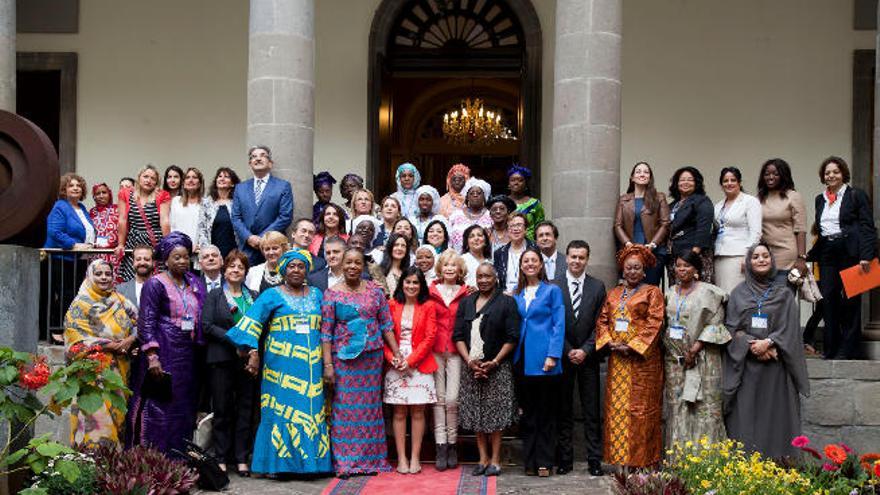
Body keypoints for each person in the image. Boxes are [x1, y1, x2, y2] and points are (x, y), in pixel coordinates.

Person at [225, 249, 333, 475]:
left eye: (301, 266)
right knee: (279, 412)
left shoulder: (317, 294)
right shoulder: (271, 295)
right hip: (279, 366)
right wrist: (253, 352)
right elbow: (250, 324)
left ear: (307, 270)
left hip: (311, 366)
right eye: (291, 266)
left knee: (310, 410)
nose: (296, 270)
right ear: (284, 269)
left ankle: (310, 465)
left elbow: (328, 327)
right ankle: (276, 465)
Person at [723, 243, 809, 459]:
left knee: (775, 420)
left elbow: (790, 328)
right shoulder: (738, 293)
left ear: (772, 261)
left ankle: (779, 467)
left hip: (776, 370)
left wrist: (770, 342)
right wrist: (754, 345)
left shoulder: (784, 294)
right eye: (755, 257)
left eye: (765, 256)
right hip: (747, 369)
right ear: (749, 263)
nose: (761, 260)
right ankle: (746, 471)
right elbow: (731, 329)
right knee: (747, 420)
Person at [321, 248, 400, 477]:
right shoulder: (331, 294)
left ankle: (371, 461)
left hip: (371, 359)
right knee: (345, 409)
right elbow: (326, 333)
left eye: (357, 263)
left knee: (370, 409)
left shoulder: (375, 292)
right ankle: (346, 463)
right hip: (344, 360)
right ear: (341, 265)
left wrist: (396, 353)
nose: (353, 267)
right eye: (348, 263)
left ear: (363, 266)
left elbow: (386, 325)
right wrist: (328, 366)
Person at [126, 231, 206, 455]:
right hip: (163, 350)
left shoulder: (195, 283)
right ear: (166, 260)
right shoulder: (155, 283)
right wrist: (152, 356)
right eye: (177, 257)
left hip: (188, 354)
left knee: (183, 405)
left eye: (186, 257)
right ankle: (153, 458)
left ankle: (178, 459)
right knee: (158, 406)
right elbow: (147, 320)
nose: (183, 261)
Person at [595, 245, 664, 468]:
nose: (632, 272)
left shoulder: (652, 292)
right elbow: (602, 321)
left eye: (637, 268)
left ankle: (642, 461)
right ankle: (620, 460)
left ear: (644, 271)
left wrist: (633, 346)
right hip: (618, 362)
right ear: (622, 271)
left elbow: (655, 322)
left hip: (641, 363)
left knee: (641, 412)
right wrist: (609, 342)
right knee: (617, 410)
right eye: (628, 268)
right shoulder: (613, 293)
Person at [807, 156, 878, 359]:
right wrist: (809, 255)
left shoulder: (856, 195)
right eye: (827, 172)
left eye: (835, 172)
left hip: (850, 252)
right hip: (828, 252)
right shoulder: (820, 199)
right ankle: (831, 349)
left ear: (843, 174)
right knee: (828, 299)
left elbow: (867, 227)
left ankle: (848, 350)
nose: (831, 175)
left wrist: (866, 255)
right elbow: (821, 231)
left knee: (850, 301)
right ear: (823, 176)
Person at [453, 262, 519, 477]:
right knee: (477, 415)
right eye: (480, 276)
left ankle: (496, 460)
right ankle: (482, 458)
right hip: (472, 367)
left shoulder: (506, 302)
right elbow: (458, 336)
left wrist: (495, 362)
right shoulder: (467, 303)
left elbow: (512, 337)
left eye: (487, 276)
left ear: (495, 278)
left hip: (497, 367)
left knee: (496, 415)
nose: (483, 280)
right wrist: (470, 361)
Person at [64, 259, 137, 447]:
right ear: (89, 276)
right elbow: (75, 340)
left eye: (107, 273)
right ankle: (90, 466)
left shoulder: (120, 300)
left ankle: (111, 471)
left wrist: (130, 341)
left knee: (117, 417)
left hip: (120, 372)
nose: (104, 277)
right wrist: (109, 345)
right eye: (98, 274)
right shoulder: (80, 304)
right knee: (95, 419)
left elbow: (141, 323)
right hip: (92, 374)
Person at [663, 251, 730, 447]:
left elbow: (716, 324)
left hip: (704, 359)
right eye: (678, 265)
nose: (681, 270)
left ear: (696, 270)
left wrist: (694, 349)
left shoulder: (710, 292)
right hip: (675, 361)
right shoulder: (668, 293)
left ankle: (705, 460)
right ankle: (677, 460)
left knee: (704, 407)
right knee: (678, 407)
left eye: (686, 266)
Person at [201, 250, 259, 475]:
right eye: (232, 266)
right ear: (225, 270)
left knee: (245, 408)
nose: (236, 270)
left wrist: (251, 350)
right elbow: (207, 326)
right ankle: (221, 456)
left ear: (246, 272)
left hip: (247, 361)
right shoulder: (215, 295)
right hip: (222, 359)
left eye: (240, 267)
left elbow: (259, 326)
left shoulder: (253, 296)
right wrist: (235, 340)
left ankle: (241, 457)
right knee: (223, 409)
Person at [553, 240, 605, 477]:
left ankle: (595, 459)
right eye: (573, 257)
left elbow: (601, 324)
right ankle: (565, 459)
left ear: (587, 259)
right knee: (563, 410)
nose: (576, 261)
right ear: (566, 258)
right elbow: (552, 324)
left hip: (588, 358)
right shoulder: (554, 286)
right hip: (562, 358)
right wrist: (567, 350)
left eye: (581, 257)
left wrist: (585, 349)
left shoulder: (597, 286)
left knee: (592, 411)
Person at [512, 248, 565, 477]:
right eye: (526, 261)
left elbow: (558, 324)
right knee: (528, 413)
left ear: (541, 265)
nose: (530, 264)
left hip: (544, 360)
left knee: (545, 413)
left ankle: (544, 461)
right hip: (521, 360)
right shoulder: (517, 294)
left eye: (534, 260)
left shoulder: (552, 291)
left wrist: (553, 355)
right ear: (521, 266)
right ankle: (530, 460)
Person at [384, 266, 438, 475]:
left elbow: (430, 337)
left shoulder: (429, 306)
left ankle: (415, 457)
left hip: (419, 362)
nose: (411, 286)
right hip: (395, 363)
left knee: (418, 411)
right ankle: (402, 458)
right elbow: (384, 334)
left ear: (421, 285)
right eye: (408, 282)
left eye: (416, 282)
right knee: (398, 412)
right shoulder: (391, 304)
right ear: (401, 284)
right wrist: (393, 358)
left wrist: (411, 361)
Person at [427, 249, 471, 470]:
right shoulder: (430, 291)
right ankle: (441, 446)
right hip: (434, 350)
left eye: (454, 265)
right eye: (446, 265)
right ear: (440, 268)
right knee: (438, 400)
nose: (450, 268)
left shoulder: (467, 292)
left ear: (460, 269)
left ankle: (453, 444)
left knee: (452, 400)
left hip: (455, 350)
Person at [45, 173, 97, 339]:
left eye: (78, 186)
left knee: (74, 295)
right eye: (71, 185)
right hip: (61, 259)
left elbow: (86, 231)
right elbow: (54, 232)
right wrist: (74, 245)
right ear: (64, 189)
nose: (76, 188)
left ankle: (69, 328)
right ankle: (57, 330)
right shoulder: (60, 206)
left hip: (78, 261)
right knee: (63, 295)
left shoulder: (82, 208)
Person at [232, 145, 294, 265]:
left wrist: (263, 238)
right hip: (247, 248)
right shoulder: (240, 188)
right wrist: (249, 237)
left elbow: (285, 216)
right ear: (250, 164)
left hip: (274, 248)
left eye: (262, 155)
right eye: (254, 157)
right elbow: (236, 217)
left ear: (270, 163)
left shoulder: (283, 186)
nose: (258, 159)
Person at [614, 162, 670, 286]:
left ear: (650, 177)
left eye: (646, 172)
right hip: (630, 251)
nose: (642, 174)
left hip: (653, 251)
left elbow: (665, 223)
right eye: (638, 171)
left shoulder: (659, 197)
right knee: (630, 289)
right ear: (632, 177)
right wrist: (627, 244)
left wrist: (653, 245)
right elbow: (618, 225)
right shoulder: (624, 199)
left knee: (649, 289)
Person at [116, 164, 171, 282]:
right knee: (133, 277)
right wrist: (120, 244)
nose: (148, 180)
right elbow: (122, 219)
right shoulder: (125, 194)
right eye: (145, 176)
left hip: (155, 242)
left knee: (157, 279)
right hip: (134, 241)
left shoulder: (162, 195)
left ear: (157, 182)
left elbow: (164, 220)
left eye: (153, 178)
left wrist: (167, 245)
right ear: (139, 177)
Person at [713, 167, 762, 294]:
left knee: (736, 295)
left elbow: (756, 232)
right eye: (725, 181)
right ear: (721, 184)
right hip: (719, 255)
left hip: (738, 256)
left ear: (739, 182)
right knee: (722, 295)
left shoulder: (750, 201)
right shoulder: (718, 206)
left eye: (733, 180)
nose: (729, 183)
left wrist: (748, 256)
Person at [757, 158, 807, 275]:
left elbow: (801, 229)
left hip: (786, 254)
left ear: (783, 175)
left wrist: (801, 258)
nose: (770, 177)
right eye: (767, 174)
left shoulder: (793, 196)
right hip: (765, 255)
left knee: (783, 291)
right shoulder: (759, 198)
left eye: (776, 174)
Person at [668, 166, 714, 284]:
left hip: (695, 256)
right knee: (678, 293)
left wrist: (693, 255)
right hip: (676, 256)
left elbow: (704, 228)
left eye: (690, 179)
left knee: (697, 291)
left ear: (696, 183)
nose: (685, 182)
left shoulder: (702, 201)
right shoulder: (673, 205)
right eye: (682, 180)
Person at [197, 167, 241, 258]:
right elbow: (202, 229)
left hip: (234, 251)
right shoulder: (207, 202)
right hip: (212, 253)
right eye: (219, 176)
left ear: (233, 183)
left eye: (226, 177)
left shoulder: (238, 202)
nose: (222, 178)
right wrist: (206, 251)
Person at [494, 213, 535, 293]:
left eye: (519, 225)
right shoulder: (499, 253)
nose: (515, 229)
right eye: (512, 226)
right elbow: (497, 280)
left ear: (526, 229)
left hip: (530, 295)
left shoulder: (534, 249)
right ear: (507, 230)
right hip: (506, 298)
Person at [449, 178, 493, 252]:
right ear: (467, 197)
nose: (475, 195)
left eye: (479, 193)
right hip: (458, 260)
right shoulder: (456, 215)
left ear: (484, 197)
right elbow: (448, 240)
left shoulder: (491, 216)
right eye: (471, 193)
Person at [169, 167, 204, 248]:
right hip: (178, 248)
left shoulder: (206, 203)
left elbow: (207, 229)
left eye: (194, 177)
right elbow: (172, 227)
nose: (191, 180)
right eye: (187, 178)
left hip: (199, 250)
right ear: (183, 183)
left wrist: (200, 245)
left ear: (200, 183)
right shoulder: (176, 201)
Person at [508, 165, 545, 241]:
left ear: (526, 184)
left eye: (520, 180)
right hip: (507, 242)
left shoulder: (535, 203)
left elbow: (540, 227)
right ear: (509, 184)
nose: (516, 183)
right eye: (513, 180)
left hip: (530, 245)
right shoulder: (503, 203)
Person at [89, 182, 119, 258]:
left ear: (109, 194)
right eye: (98, 194)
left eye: (104, 192)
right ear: (94, 197)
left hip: (113, 253)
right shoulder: (92, 212)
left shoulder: (117, 209)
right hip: (96, 253)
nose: (101, 196)